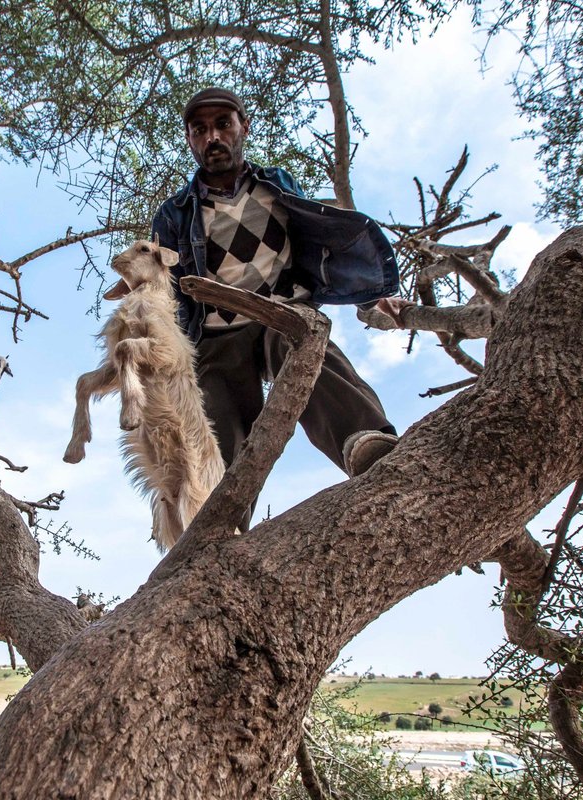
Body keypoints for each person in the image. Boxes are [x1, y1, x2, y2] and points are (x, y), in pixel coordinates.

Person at [151, 87, 407, 525]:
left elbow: (315, 241)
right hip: (216, 334)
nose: (213, 137)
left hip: (283, 312)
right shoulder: (173, 214)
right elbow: (163, 290)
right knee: (217, 426)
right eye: (200, 130)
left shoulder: (278, 184)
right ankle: (217, 526)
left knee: (305, 349)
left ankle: (365, 441)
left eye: (223, 125)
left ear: (243, 128)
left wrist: (371, 290)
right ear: (190, 140)